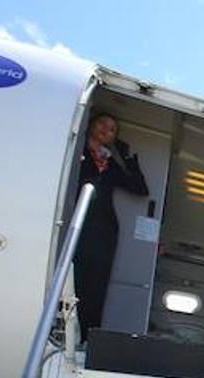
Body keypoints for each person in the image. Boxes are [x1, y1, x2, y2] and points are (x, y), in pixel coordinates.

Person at [72, 112, 148, 339]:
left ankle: (86, 339)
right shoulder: (76, 151)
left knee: (95, 288)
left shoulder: (110, 163)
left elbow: (140, 189)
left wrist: (127, 158)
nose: (107, 129)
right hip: (76, 223)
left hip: (103, 230)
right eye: (103, 123)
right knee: (73, 281)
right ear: (91, 124)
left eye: (113, 129)